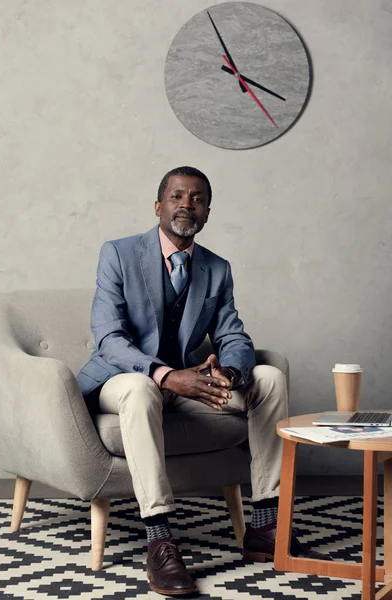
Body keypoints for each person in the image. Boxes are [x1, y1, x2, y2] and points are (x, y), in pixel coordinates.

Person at [76, 166, 327, 596]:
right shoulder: (117, 253)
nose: (186, 205)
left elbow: (233, 334)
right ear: (158, 206)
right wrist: (166, 374)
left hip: (188, 383)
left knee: (267, 378)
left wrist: (228, 372)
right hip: (126, 378)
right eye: (177, 196)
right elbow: (110, 337)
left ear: (207, 212)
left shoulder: (217, 268)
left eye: (197, 199)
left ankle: (265, 525)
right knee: (140, 390)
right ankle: (159, 540)